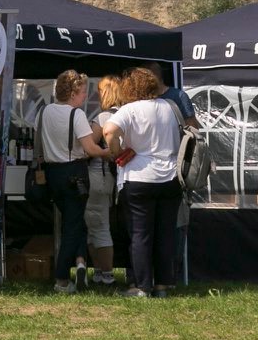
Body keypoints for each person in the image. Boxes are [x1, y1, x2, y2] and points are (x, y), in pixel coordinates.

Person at [100, 66, 184, 297]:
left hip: (138, 177)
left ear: (129, 88)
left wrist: (117, 151)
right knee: (165, 234)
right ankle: (163, 285)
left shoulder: (130, 109)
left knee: (140, 234)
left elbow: (108, 131)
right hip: (170, 177)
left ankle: (142, 285)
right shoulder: (171, 106)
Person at [37, 70, 105, 292]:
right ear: (73, 93)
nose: (85, 96)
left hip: (52, 174)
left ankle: (80, 263)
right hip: (74, 172)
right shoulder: (77, 115)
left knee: (72, 221)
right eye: (83, 92)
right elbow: (90, 148)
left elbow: (39, 143)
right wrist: (110, 153)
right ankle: (62, 279)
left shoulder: (44, 111)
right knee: (72, 226)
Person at [83, 75, 124, 288]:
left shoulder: (102, 118)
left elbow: (87, 147)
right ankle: (99, 272)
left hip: (99, 176)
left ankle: (107, 274)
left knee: (98, 225)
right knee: (95, 225)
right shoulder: (128, 115)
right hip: (115, 178)